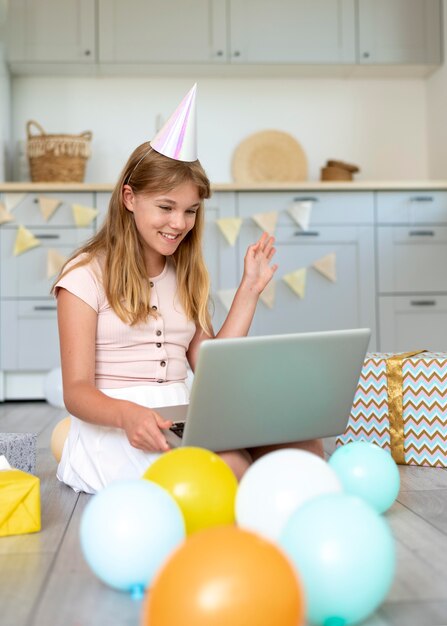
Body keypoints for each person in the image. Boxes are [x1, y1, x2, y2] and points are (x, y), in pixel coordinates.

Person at [53, 85, 323, 494]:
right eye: (166, 207)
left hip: (184, 414)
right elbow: (76, 392)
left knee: (307, 448)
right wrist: (128, 415)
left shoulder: (183, 275)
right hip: (117, 426)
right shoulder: (83, 275)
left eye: (191, 211)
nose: (179, 223)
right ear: (130, 198)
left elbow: (212, 366)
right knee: (229, 466)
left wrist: (249, 291)